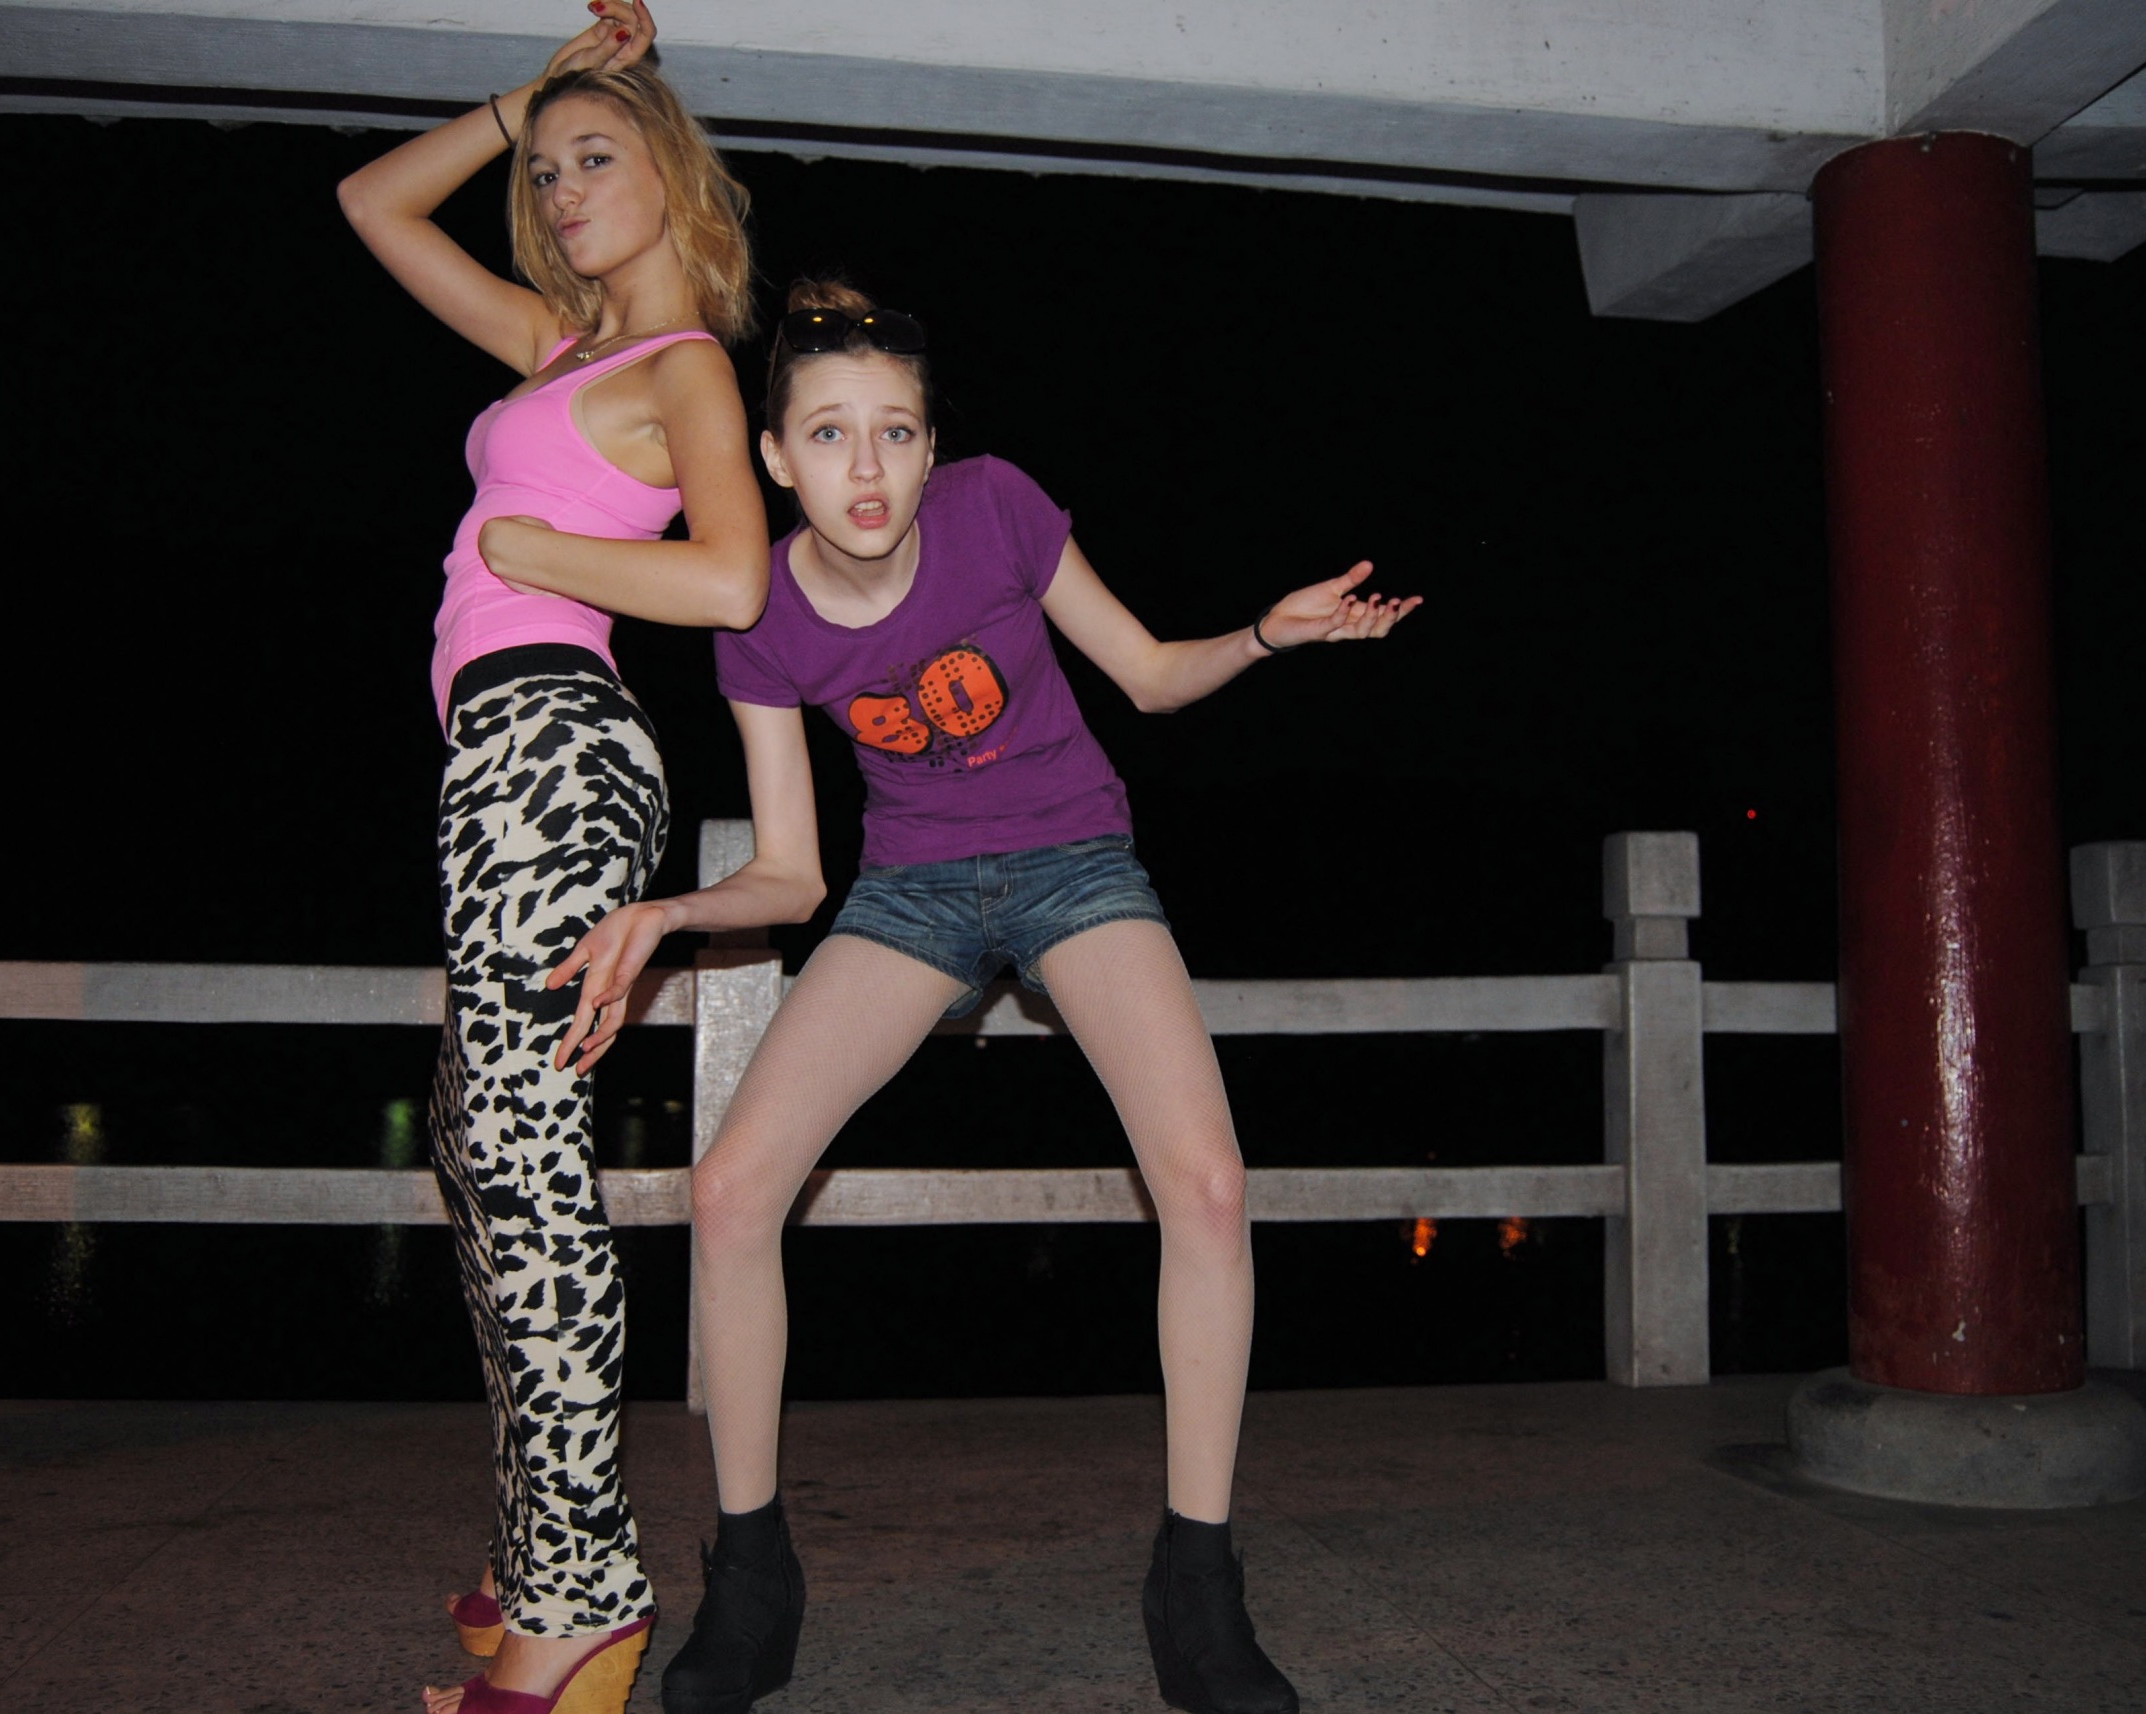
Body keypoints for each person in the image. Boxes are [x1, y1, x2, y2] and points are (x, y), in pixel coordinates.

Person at [545, 282, 1420, 1714]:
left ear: (933, 445)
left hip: (1077, 863)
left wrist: (1265, 634)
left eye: (896, 431)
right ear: (773, 457)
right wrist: (669, 910)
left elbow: (1148, 676)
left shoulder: (998, 508)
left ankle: (1198, 1584)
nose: (868, 467)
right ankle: (752, 1578)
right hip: (909, 892)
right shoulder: (757, 612)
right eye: (830, 433)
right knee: (730, 1190)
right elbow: (790, 871)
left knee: (1207, 1187)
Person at [335, 7, 768, 1711]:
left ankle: (584, 1591)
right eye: (545, 170)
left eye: (599, 157)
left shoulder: (686, 369)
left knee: (527, 1156)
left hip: (559, 751)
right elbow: (372, 203)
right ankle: (540, 1549)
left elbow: (732, 578)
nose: (563, 187)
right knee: (478, 1141)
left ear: (674, 177)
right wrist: (534, 89)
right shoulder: (555, 349)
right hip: (500, 756)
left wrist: (533, 544)